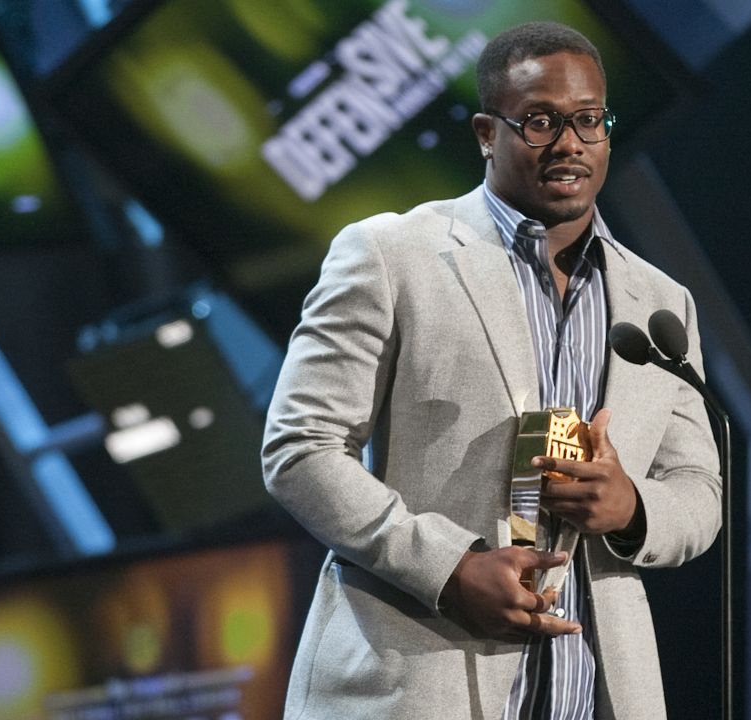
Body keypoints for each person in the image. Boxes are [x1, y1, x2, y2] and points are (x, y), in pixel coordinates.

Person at [262, 20, 721, 720]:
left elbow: (698, 488)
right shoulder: (390, 255)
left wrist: (631, 508)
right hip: (419, 681)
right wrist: (449, 568)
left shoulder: (661, 302)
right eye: (539, 121)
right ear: (486, 133)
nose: (568, 142)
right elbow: (300, 449)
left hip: (595, 689)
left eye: (588, 120)